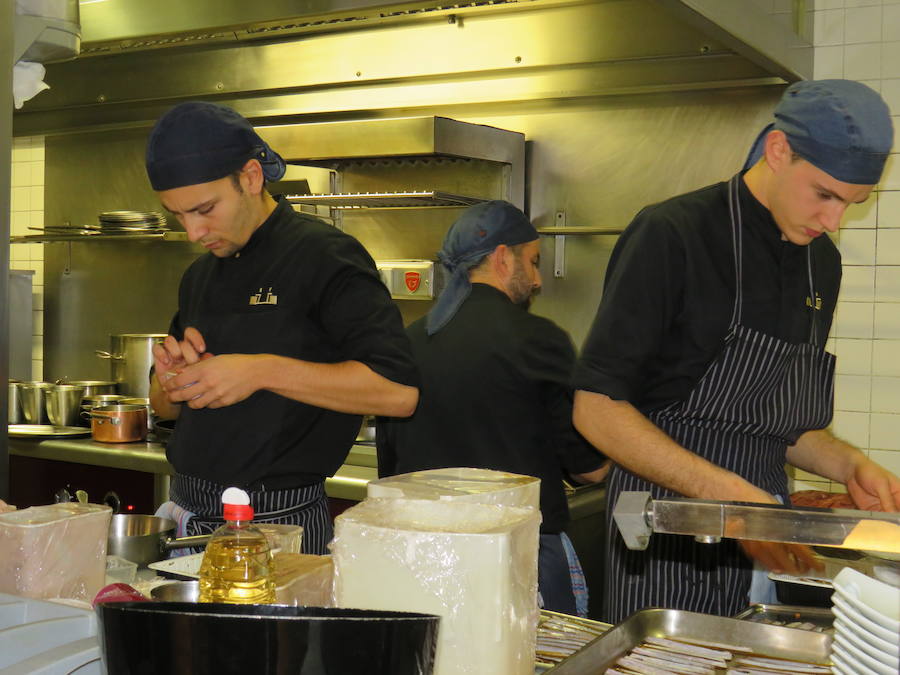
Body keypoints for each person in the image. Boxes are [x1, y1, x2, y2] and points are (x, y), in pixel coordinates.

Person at [572, 79, 900, 623]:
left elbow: (773, 420)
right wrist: (728, 498)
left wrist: (848, 463)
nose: (833, 222)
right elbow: (596, 408)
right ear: (777, 151)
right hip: (665, 534)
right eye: (824, 194)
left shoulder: (822, 262)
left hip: (763, 532)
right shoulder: (673, 234)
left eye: (851, 204)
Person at [146, 102, 419, 554]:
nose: (194, 232)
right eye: (178, 216)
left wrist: (260, 371)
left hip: (277, 526)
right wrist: (174, 383)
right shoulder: (200, 276)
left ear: (251, 177)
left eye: (205, 209)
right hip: (187, 519)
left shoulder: (325, 257)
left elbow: (399, 392)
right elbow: (165, 407)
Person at [377, 200, 609, 615]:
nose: (537, 280)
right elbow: (588, 467)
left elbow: (390, 463)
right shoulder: (538, 338)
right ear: (503, 257)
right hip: (517, 555)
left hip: (425, 555)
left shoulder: (408, 341)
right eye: (534, 262)